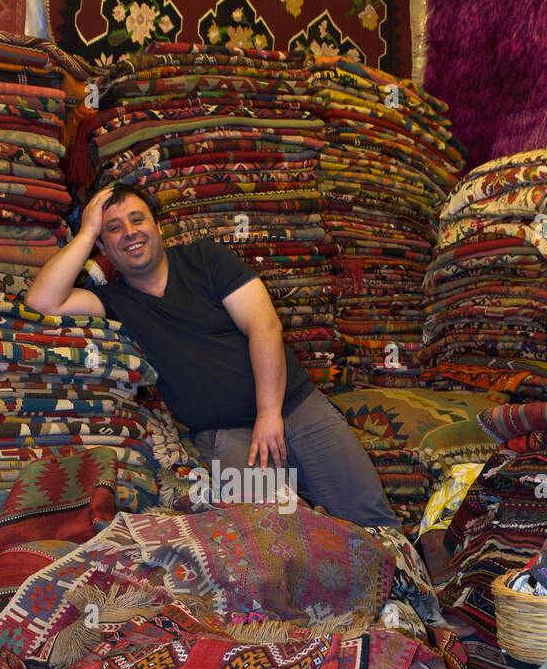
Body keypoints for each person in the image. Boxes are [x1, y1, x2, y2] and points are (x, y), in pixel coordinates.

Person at [25, 182, 400, 528]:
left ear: (157, 227)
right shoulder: (114, 302)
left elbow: (264, 325)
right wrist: (87, 231)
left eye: (137, 220)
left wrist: (269, 414)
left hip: (294, 406)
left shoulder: (205, 259)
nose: (130, 232)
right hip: (228, 436)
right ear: (103, 248)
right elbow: (41, 303)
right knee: (271, 535)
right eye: (114, 228)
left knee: (370, 517)